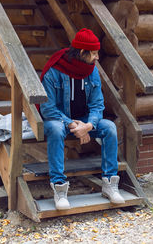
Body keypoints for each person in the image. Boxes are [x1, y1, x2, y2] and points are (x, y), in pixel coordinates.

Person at [39, 28, 125, 210]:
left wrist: (88, 125)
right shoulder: (54, 71)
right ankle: (59, 188)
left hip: (84, 120)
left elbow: (97, 105)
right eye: (93, 53)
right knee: (55, 129)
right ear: (81, 52)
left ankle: (109, 184)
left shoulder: (92, 71)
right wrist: (71, 123)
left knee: (109, 127)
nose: (97, 58)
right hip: (58, 119)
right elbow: (48, 108)